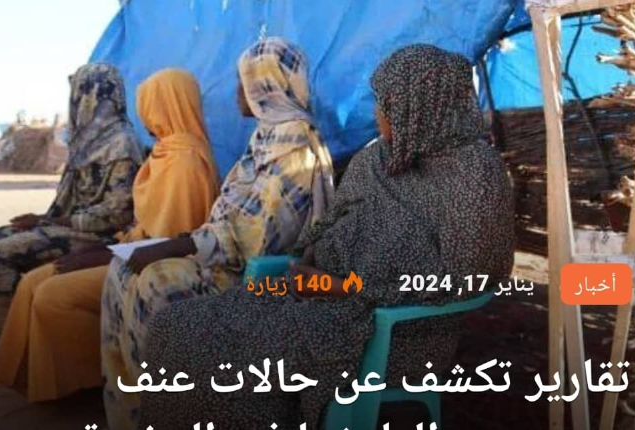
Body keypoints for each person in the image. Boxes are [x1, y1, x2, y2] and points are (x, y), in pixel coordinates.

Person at [139, 45, 516, 430]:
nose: (377, 113)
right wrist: (308, 259)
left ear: (422, 106)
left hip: (393, 330)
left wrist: (345, 287)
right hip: (316, 301)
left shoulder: (475, 177)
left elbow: (466, 279)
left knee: (224, 355)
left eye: (387, 103)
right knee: (175, 325)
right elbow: (330, 220)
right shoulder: (378, 159)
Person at [100, 37, 335, 430]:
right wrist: (181, 243)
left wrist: (180, 244)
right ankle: (133, 411)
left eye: (243, 81)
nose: (236, 92)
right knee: (122, 272)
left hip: (258, 278)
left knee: (156, 282)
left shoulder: (294, 148)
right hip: (227, 260)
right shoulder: (267, 138)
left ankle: (169, 411)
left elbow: (259, 241)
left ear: (264, 84)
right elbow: (232, 217)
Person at [0, 68, 220, 402]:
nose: (143, 113)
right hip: (130, 250)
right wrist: (104, 249)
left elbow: (164, 243)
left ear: (166, 104)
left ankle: (83, 382)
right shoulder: (166, 153)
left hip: (150, 264)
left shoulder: (185, 163)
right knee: (32, 282)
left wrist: (100, 256)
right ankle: (24, 376)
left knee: (53, 295)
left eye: (149, 103)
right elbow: (141, 229)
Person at [0, 63, 142, 339]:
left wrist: (50, 221)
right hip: (70, 225)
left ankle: (16, 344)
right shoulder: (87, 139)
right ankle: (20, 336)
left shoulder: (121, 142)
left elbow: (116, 215)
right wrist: (44, 220)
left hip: (97, 234)